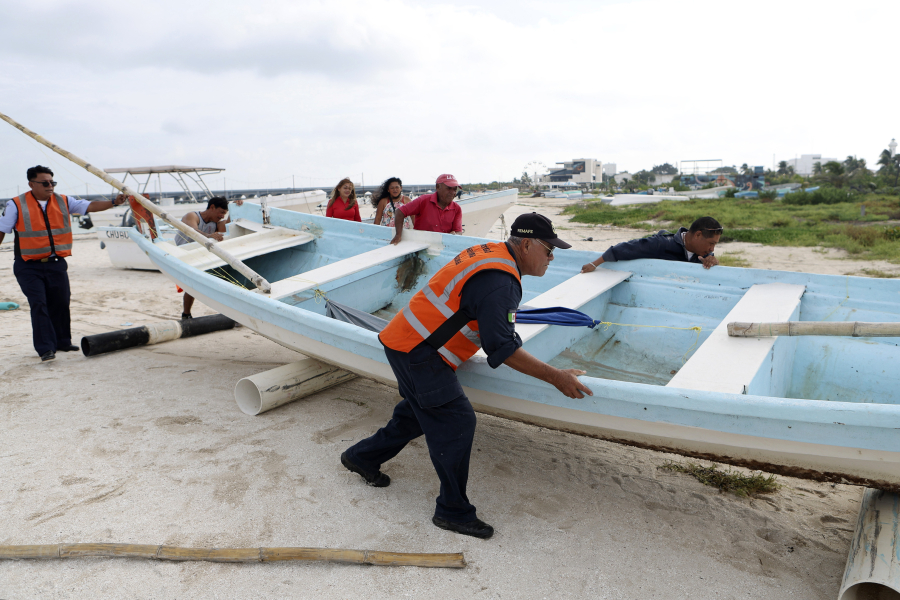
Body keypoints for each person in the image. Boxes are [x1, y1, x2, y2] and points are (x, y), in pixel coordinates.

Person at [342, 212, 593, 540]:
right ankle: (452, 511)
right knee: (456, 421)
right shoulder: (501, 282)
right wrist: (556, 377)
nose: (552, 256)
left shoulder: (492, 253)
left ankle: (361, 456)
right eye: (549, 249)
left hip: (403, 340)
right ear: (528, 244)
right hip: (420, 353)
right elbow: (500, 348)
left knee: (419, 414)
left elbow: (493, 326)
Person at [0, 165, 127, 361]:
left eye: (52, 182)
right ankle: (45, 349)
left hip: (56, 263)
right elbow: (2, 230)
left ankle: (62, 342)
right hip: (28, 265)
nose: (50, 186)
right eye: (45, 183)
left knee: (61, 302)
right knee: (39, 304)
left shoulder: (64, 200)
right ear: (31, 184)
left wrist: (114, 202)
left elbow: (89, 206)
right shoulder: (15, 204)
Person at [581, 216, 723, 273]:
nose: (712, 249)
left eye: (714, 245)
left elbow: (709, 257)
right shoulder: (660, 244)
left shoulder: (703, 253)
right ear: (698, 235)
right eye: (711, 244)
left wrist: (712, 260)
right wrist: (594, 264)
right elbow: (626, 248)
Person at [174, 196, 237, 319]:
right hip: (183, 255)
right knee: (191, 286)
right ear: (212, 207)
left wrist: (236, 207)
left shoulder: (217, 224)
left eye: (225, 213)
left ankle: (230, 313)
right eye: (221, 212)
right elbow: (193, 230)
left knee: (222, 281)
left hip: (201, 256)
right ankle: (186, 314)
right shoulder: (192, 216)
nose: (222, 216)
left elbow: (229, 227)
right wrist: (209, 235)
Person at [389, 174, 462, 244]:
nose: (453, 192)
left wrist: (455, 235)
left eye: (455, 189)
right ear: (438, 187)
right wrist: (398, 235)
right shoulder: (423, 200)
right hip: (420, 244)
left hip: (442, 247)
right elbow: (400, 212)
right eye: (449, 188)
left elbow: (458, 231)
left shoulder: (457, 208)